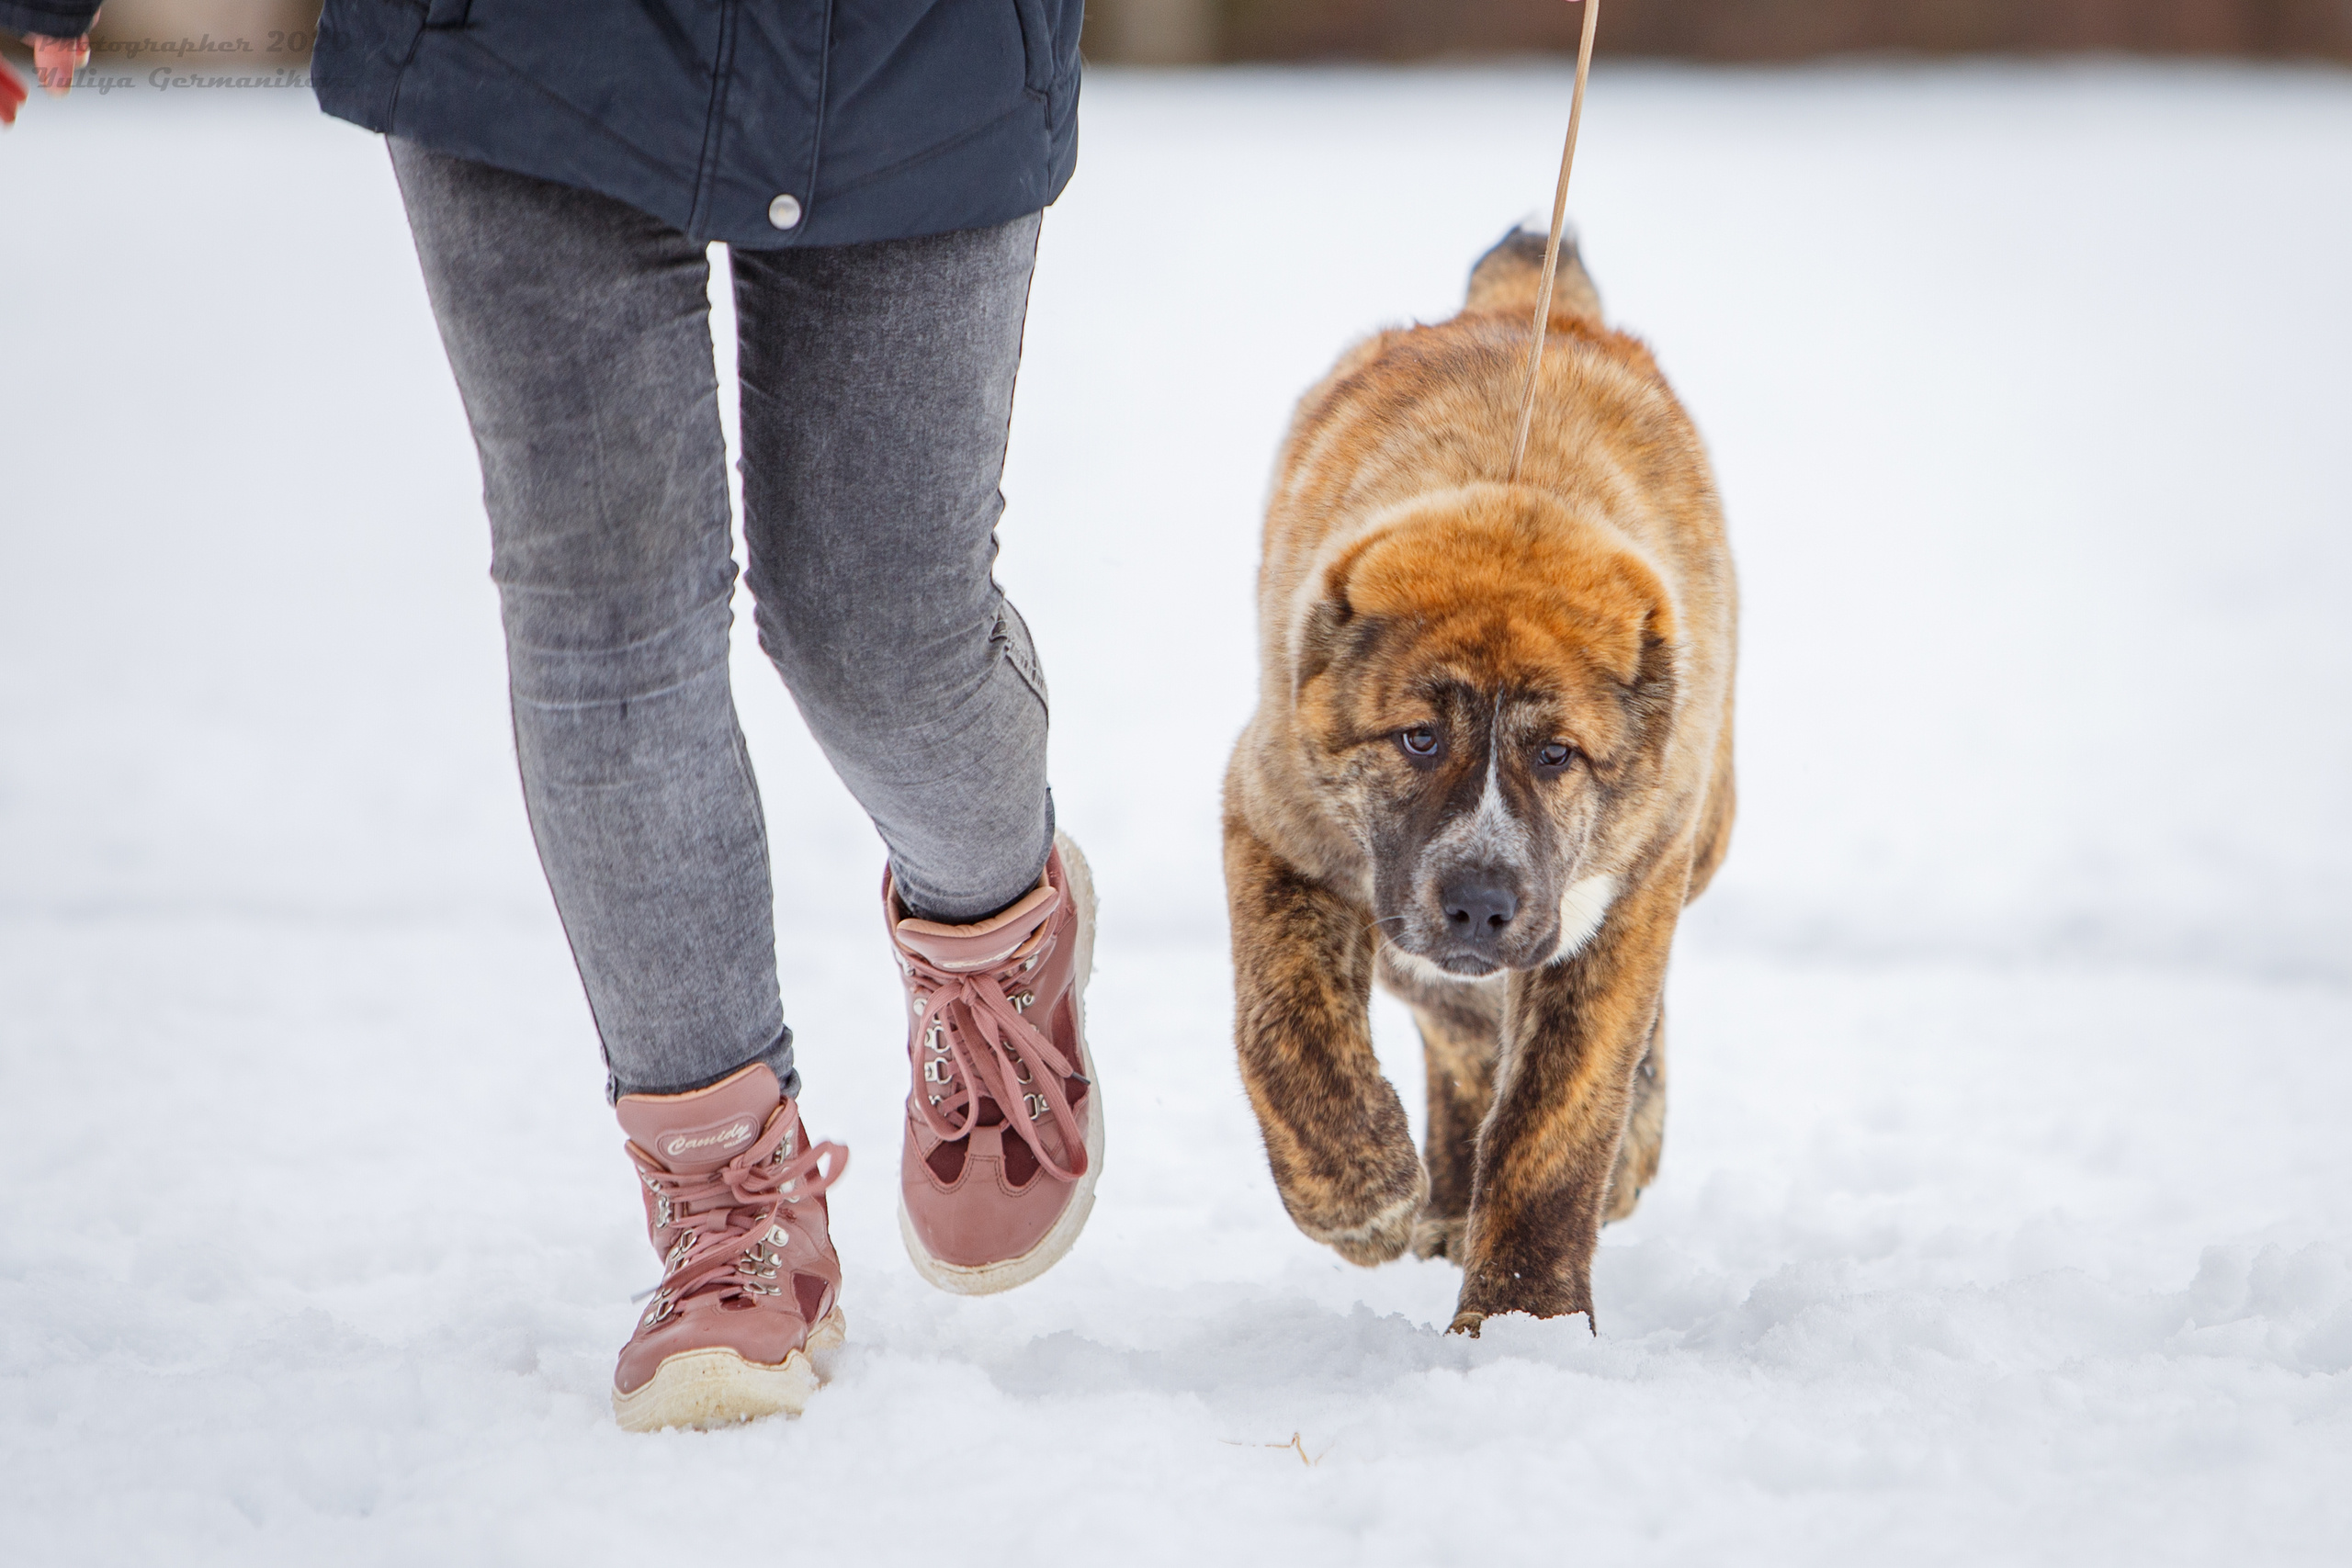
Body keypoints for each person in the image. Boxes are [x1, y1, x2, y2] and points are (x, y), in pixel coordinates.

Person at [4, 0, 1102, 1433]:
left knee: (878, 636)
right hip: (519, 44)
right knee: (609, 627)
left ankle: (993, 931)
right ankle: (729, 1206)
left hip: (917, 48)